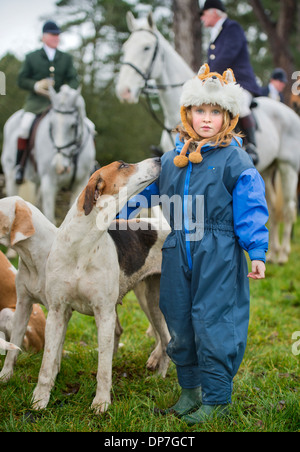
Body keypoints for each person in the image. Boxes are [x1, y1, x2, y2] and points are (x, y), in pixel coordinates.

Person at [120, 64, 269, 424]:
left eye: (214, 112)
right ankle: (190, 391)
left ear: (228, 116)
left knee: (213, 320)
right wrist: (121, 211)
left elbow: (250, 205)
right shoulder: (173, 159)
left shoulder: (234, 159)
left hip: (217, 250)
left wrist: (257, 250)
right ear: (187, 113)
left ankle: (216, 396)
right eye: (199, 110)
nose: (206, 118)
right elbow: (151, 193)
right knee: (179, 318)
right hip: (177, 248)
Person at [15, 20, 79, 184]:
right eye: (53, 34)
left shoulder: (65, 58)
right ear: (44, 36)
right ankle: (19, 166)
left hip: (60, 104)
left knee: (85, 125)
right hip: (36, 103)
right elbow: (21, 80)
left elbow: (74, 79)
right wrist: (36, 85)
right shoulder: (32, 57)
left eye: (58, 34)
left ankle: (82, 164)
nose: (56, 37)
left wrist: (66, 88)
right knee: (24, 128)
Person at [199, 0, 262, 165]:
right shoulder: (216, 33)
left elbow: (227, 56)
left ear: (213, 12)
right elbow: (213, 62)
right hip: (220, 82)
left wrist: (209, 76)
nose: (202, 18)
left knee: (240, 104)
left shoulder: (232, 28)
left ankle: (251, 146)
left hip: (240, 81)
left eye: (203, 14)